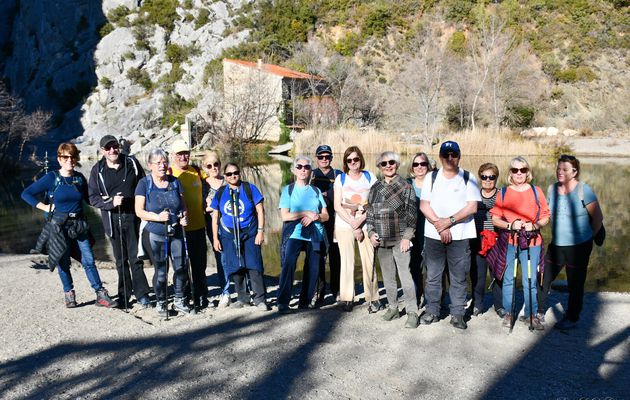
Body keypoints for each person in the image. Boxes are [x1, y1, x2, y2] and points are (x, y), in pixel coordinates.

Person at [21, 143, 117, 308]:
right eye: (66, 157)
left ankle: (100, 294)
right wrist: (44, 207)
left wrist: (110, 201)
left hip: (79, 225)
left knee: (88, 260)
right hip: (58, 227)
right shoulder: (52, 178)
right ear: (59, 159)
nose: (70, 160)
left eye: (73, 157)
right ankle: (69, 293)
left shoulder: (79, 178)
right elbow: (26, 193)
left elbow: (90, 199)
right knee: (63, 261)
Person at [420, 141, 480, 330]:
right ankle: (432, 311)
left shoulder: (468, 178)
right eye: (446, 155)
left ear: (459, 156)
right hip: (433, 235)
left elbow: (472, 206)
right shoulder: (431, 177)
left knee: (459, 276)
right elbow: (424, 205)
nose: (449, 158)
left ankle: (457, 314)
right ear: (440, 157)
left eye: (453, 154)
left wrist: (450, 221)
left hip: (460, 237)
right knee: (433, 276)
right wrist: (440, 224)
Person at [539, 155, 604, 330]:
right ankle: (538, 311)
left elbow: (598, 218)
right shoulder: (552, 188)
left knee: (576, 283)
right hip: (557, 245)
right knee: (544, 278)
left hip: (579, 247)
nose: (560, 172)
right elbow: (547, 214)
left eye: (565, 169)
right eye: (558, 168)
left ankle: (572, 317)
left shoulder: (584, 190)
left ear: (574, 172)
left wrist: (588, 238)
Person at [88, 135, 150, 308]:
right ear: (102, 151)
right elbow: (92, 198)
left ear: (119, 147)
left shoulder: (131, 163)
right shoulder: (97, 170)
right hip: (112, 219)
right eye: (108, 148)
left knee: (136, 257)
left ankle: (142, 294)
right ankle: (124, 295)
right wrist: (110, 202)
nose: (112, 150)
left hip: (133, 217)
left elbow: (144, 185)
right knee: (120, 260)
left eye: (114, 146)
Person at [491, 156, 550, 330]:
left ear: (527, 172)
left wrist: (535, 225)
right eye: (515, 170)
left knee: (530, 281)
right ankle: (509, 313)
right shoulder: (503, 192)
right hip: (510, 241)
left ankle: (531, 314)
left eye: (522, 170)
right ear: (510, 173)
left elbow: (546, 215)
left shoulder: (536, 191)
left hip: (532, 242)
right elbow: (495, 219)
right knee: (508, 280)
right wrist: (510, 225)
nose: (519, 173)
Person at [135, 148, 191, 316]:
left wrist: (184, 217)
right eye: (158, 163)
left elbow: (183, 206)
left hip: (176, 231)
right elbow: (139, 211)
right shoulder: (144, 184)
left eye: (164, 162)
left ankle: (180, 299)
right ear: (150, 165)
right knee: (161, 270)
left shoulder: (175, 182)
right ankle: (161, 301)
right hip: (155, 233)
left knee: (180, 267)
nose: (162, 165)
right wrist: (158, 217)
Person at [366, 151, 419, 328]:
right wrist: (371, 233)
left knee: (405, 276)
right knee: (388, 277)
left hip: (400, 240)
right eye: (384, 164)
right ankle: (393, 308)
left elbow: (412, 216)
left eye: (391, 162)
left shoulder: (406, 187)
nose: (388, 166)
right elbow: (370, 215)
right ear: (379, 167)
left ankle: (412, 312)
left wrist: (407, 237)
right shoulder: (374, 188)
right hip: (381, 241)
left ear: (396, 165)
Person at [210, 163, 269, 310]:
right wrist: (215, 238)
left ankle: (260, 299)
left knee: (254, 265)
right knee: (235, 266)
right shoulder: (221, 192)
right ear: (225, 176)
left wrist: (260, 231)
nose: (232, 176)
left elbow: (260, 211)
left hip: (249, 232)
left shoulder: (249, 189)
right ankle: (243, 298)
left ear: (239, 173)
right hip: (228, 235)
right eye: (229, 174)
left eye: (235, 173)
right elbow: (215, 216)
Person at [278, 156, 329, 313]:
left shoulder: (316, 191)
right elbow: (285, 216)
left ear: (310, 171)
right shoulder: (288, 190)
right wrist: (305, 213)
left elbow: (325, 215)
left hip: (315, 234)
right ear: (294, 170)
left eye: (306, 167)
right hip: (295, 233)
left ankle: (305, 302)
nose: (303, 170)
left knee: (313, 268)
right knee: (288, 264)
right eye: (299, 167)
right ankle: (283, 302)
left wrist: (316, 217)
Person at [334, 146, 380, 313]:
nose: (353, 163)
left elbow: (375, 203)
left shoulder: (370, 177)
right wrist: (352, 223)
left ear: (361, 159)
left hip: (366, 223)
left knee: (369, 261)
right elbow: (337, 206)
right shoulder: (341, 179)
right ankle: (347, 297)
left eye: (356, 159)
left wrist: (360, 220)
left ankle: (373, 297)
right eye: (349, 160)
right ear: (346, 162)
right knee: (347, 261)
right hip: (344, 224)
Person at [169, 139, 209, 310]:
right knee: (181, 267)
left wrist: (210, 199)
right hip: (179, 229)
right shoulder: (170, 173)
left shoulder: (197, 171)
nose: (183, 157)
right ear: (173, 156)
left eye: (185, 153)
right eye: (179, 154)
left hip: (199, 226)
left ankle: (201, 296)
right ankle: (182, 297)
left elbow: (213, 183)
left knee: (200, 265)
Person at [470, 163, 503, 317]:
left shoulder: (502, 194)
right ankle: (478, 304)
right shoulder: (474, 194)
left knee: (498, 273)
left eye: (492, 177)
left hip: (497, 240)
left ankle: (500, 305)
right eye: (484, 177)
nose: (488, 180)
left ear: (496, 178)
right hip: (478, 239)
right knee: (478, 274)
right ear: (480, 177)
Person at [310, 144, 342, 303]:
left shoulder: (338, 174)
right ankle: (319, 291)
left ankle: (336, 289)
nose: (324, 159)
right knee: (318, 256)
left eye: (327, 156)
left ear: (331, 158)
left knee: (336, 257)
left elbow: (344, 193)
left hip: (336, 221)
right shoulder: (311, 174)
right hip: (317, 222)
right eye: (321, 156)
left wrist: (325, 193)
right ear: (316, 158)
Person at [202, 151, 231, 307]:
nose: (213, 168)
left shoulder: (228, 180)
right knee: (220, 257)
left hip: (231, 225)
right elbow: (202, 207)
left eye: (216, 164)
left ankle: (245, 289)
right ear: (205, 168)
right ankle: (225, 291)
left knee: (236, 255)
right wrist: (210, 207)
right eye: (209, 165)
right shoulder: (203, 184)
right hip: (212, 225)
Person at [407, 152, 432, 305]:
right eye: (416, 164)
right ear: (412, 167)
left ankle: (434, 299)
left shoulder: (435, 183)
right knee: (414, 264)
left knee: (433, 267)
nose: (419, 167)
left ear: (428, 166)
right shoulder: (407, 184)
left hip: (431, 228)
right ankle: (416, 296)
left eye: (423, 164)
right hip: (413, 230)